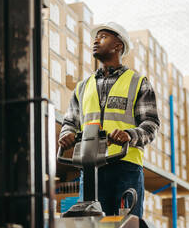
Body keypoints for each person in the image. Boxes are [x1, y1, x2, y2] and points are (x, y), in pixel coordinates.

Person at [58, 22, 160, 217]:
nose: (96, 40)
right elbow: (69, 122)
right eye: (95, 37)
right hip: (90, 170)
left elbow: (151, 125)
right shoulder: (82, 87)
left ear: (118, 46)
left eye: (103, 37)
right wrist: (67, 134)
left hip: (125, 167)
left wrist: (129, 135)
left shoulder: (138, 83)